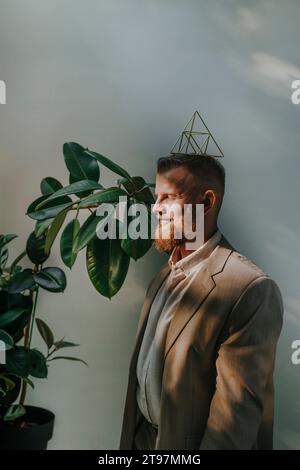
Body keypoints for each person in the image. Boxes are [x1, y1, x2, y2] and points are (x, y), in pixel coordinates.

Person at [119, 153, 283, 450]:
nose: (155, 209)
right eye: (157, 198)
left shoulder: (251, 288)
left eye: (168, 198)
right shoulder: (163, 277)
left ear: (206, 203)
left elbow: (233, 424)